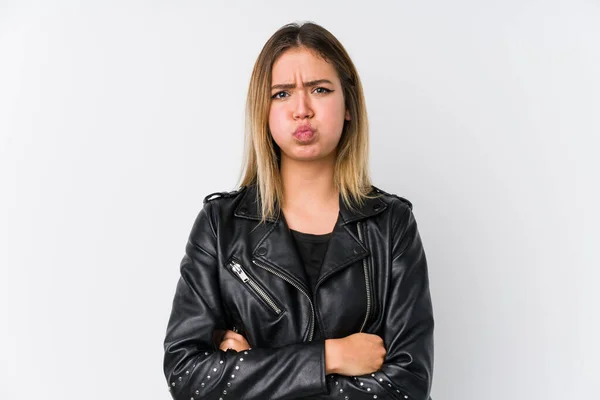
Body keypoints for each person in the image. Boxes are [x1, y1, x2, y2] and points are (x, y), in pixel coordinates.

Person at [163, 21, 434, 400]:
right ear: (264, 110)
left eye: (320, 90)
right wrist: (329, 356)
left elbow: (407, 387)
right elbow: (187, 376)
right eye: (282, 94)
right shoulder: (220, 225)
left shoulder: (391, 224)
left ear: (349, 106)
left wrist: (251, 370)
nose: (301, 110)